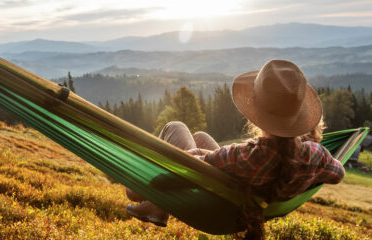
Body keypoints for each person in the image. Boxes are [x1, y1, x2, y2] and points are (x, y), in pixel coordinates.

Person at [124, 59, 345, 239]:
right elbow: (337, 174)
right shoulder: (316, 156)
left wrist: (146, 178)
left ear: (257, 113)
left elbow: (190, 167)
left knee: (176, 127)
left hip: (215, 202)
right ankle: (156, 206)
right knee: (200, 136)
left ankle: (157, 205)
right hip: (244, 201)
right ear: (298, 117)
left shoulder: (243, 157)